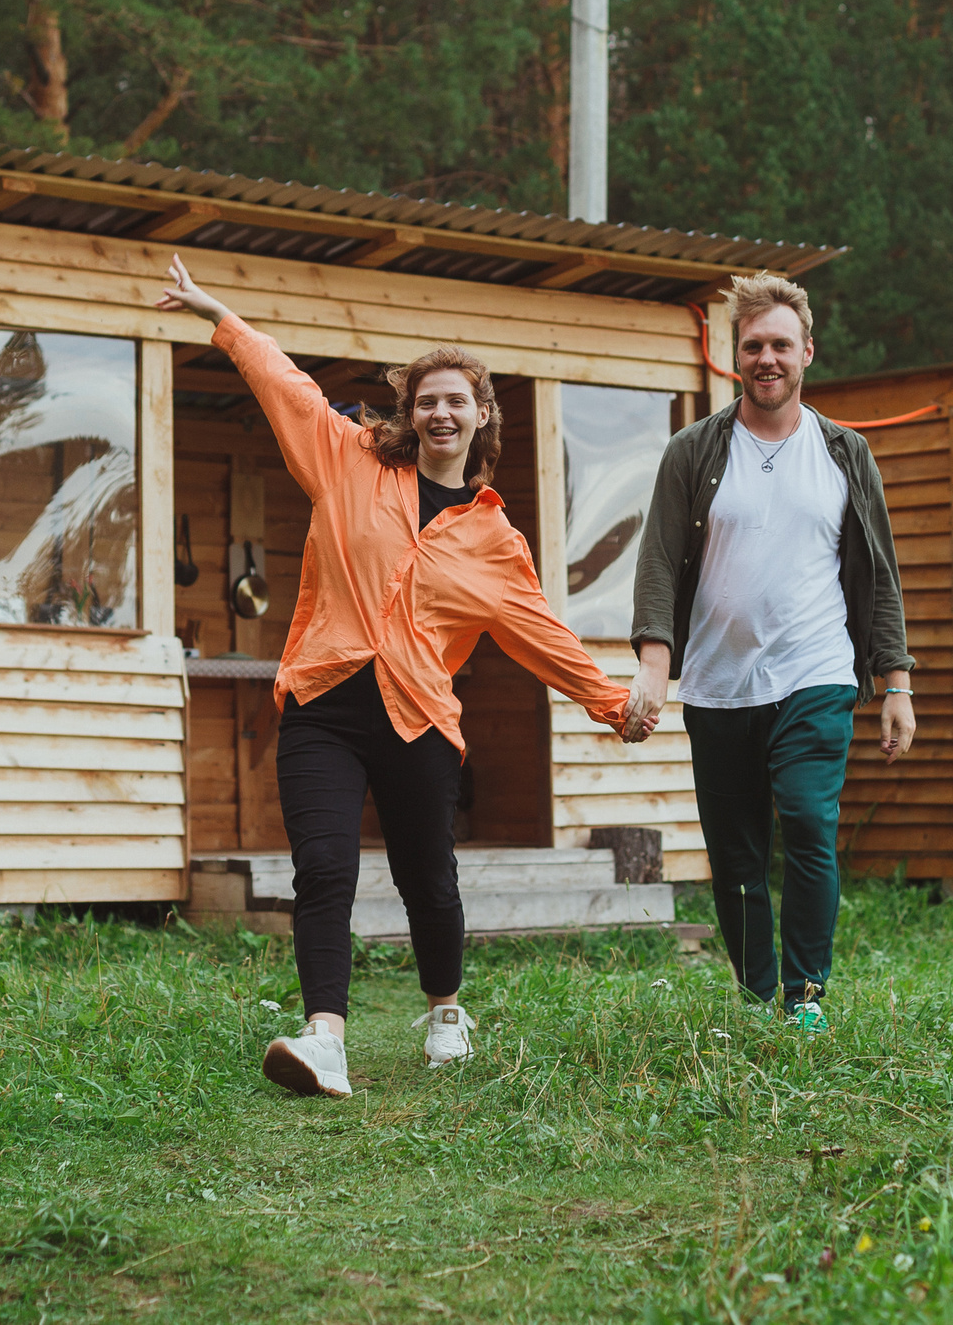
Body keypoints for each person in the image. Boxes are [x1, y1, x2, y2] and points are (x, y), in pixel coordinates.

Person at [157, 256, 646, 1098]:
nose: (441, 410)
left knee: (428, 875)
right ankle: (325, 1039)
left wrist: (611, 701)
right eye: (427, 398)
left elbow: (541, 635)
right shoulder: (348, 462)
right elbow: (290, 388)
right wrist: (222, 318)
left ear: (482, 415)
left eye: (457, 398)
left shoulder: (496, 541)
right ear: (410, 413)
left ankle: (445, 1009)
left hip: (419, 719)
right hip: (323, 704)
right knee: (325, 865)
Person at [624, 274, 913, 1033]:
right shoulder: (693, 452)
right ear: (734, 356)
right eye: (752, 345)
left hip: (816, 672)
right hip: (720, 684)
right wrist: (656, 662)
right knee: (738, 851)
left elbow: (879, 573)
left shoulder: (846, 454)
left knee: (810, 825)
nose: (767, 358)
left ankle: (806, 996)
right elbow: (657, 561)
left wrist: (896, 682)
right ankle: (758, 999)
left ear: (807, 351)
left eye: (781, 344)